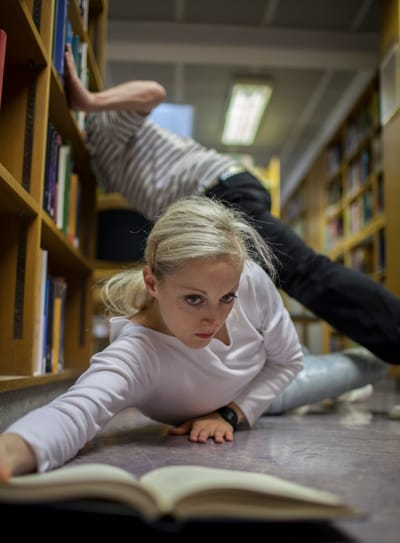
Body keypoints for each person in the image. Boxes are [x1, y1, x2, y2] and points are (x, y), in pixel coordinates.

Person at [64, 45, 400, 365]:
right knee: (251, 293)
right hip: (216, 198)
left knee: (305, 274)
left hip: (219, 194)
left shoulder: (100, 127)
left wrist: (89, 100)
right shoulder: (97, 159)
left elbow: (153, 91)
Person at [0, 197, 305, 478]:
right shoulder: (135, 355)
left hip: (275, 378)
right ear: (152, 282)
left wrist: (229, 414)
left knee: (349, 368)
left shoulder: (247, 277)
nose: (214, 318)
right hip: (273, 384)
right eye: (194, 299)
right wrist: (8, 455)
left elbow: (289, 361)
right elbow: (75, 412)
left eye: (227, 297)